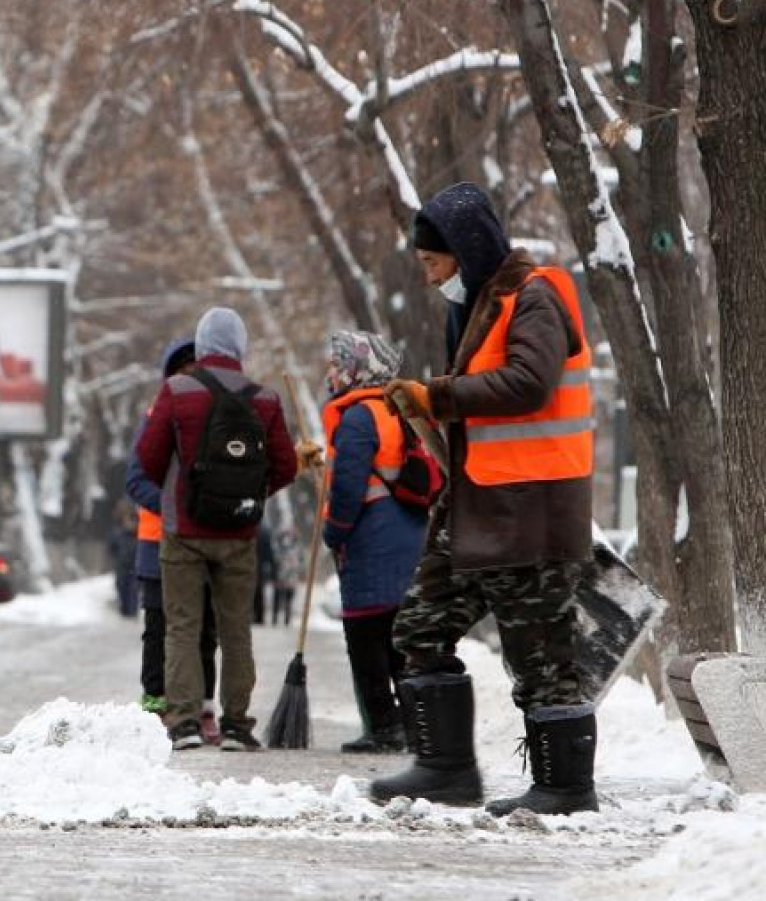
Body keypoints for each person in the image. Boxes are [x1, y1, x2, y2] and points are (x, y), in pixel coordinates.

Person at [369, 182, 599, 815]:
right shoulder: (477, 306)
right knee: (421, 624)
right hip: (477, 507)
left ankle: (566, 787)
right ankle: (445, 770)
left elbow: (529, 383)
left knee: (542, 655)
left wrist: (436, 396)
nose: (429, 277)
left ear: (465, 251)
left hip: (531, 509)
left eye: (433, 263)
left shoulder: (535, 295)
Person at [136, 310, 297, 752]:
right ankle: (237, 725)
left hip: (182, 531)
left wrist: (181, 488)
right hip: (239, 534)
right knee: (235, 630)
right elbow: (286, 465)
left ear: (203, 345)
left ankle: (185, 722)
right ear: (240, 347)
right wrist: (250, 496)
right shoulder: (264, 398)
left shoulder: (177, 390)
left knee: (182, 627)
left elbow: (148, 458)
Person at [313, 330, 427, 754]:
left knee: (365, 637)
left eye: (338, 362)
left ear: (358, 368)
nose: (332, 371)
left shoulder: (358, 417)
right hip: (406, 534)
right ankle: (414, 724)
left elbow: (348, 485)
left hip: (373, 540)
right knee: (398, 639)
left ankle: (383, 726)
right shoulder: (393, 408)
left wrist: (334, 531)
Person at [124, 339, 220, 727]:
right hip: (158, 541)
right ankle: (155, 704)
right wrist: (174, 508)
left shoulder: (218, 416)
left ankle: (202, 706)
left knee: (204, 628)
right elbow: (135, 480)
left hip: (205, 539)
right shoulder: (154, 417)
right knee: (159, 626)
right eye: (185, 372)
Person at [107, 497, 141, 617]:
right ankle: (124, 609)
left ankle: (132, 611)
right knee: (121, 585)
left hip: (135, 563)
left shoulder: (138, 530)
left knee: (133, 588)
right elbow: (111, 547)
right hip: (122, 563)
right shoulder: (117, 531)